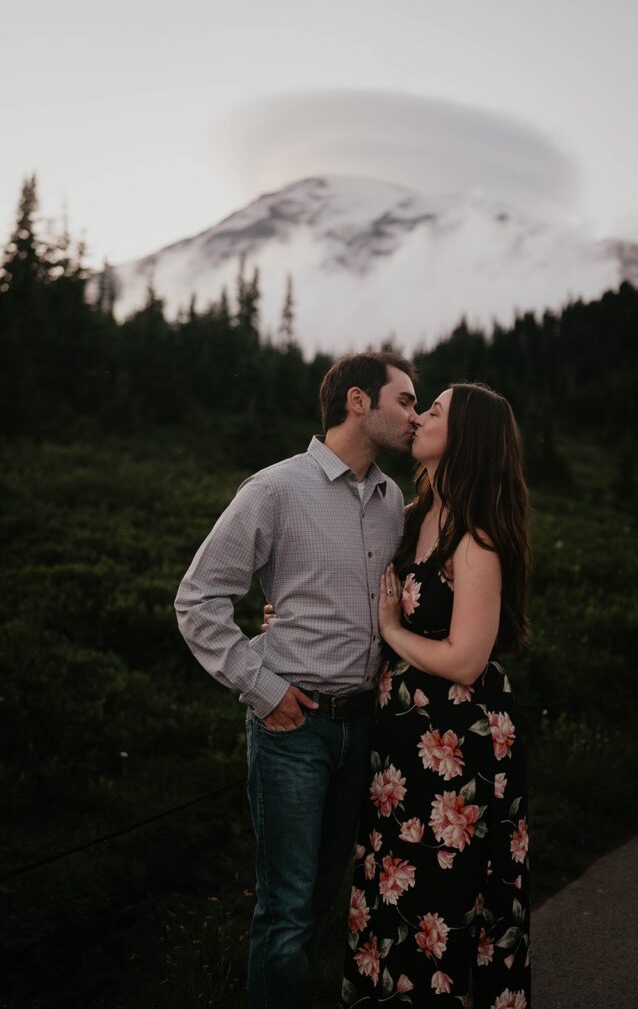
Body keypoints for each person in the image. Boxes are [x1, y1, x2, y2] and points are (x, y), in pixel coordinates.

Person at [174, 352, 418, 1009]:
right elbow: (197, 599)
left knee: (318, 905)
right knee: (284, 914)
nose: (414, 416)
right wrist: (262, 688)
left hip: (364, 728)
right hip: (294, 727)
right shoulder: (275, 489)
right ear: (358, 402)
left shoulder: (393, 498)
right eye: (404, 400)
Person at [342, 382, 531, 1008]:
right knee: (393, 890)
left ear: (465, 439)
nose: (419, 417)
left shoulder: (476, 538)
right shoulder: (414, 516)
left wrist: (392, 631)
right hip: (402, 743)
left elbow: (467, 659)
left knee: (440, 904)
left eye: (436, 411)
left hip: (456, 746)